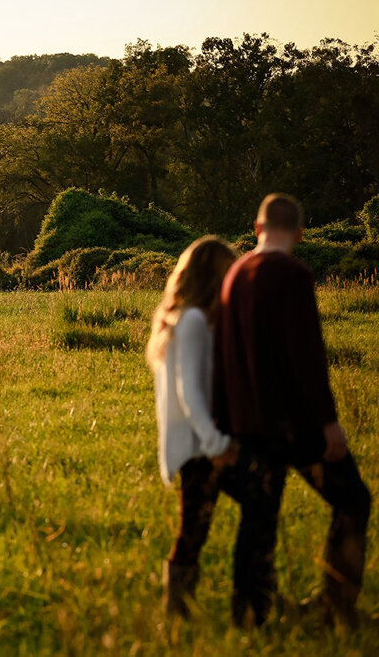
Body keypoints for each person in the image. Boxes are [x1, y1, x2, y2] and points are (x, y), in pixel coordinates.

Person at [213, 193, 371, 627]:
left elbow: (223, 355)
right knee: (354, 500)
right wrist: (329, 425)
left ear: (257, 228)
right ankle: (337, 605)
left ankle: (248, 614)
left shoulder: (235, 274)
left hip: (247, 424)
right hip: (294, 426)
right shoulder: (293, 274)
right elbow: (308, 357)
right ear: (300, 234)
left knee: (258, 519)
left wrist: (223, 424)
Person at [146, 236, 238, 617]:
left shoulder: (183, 317)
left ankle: (182, 608)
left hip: (195, 446)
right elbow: (189, 396)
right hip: (199, 448)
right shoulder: (195, 321)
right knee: (194, 530)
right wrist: (217, 443)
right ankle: (180, 610)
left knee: (196, 528)